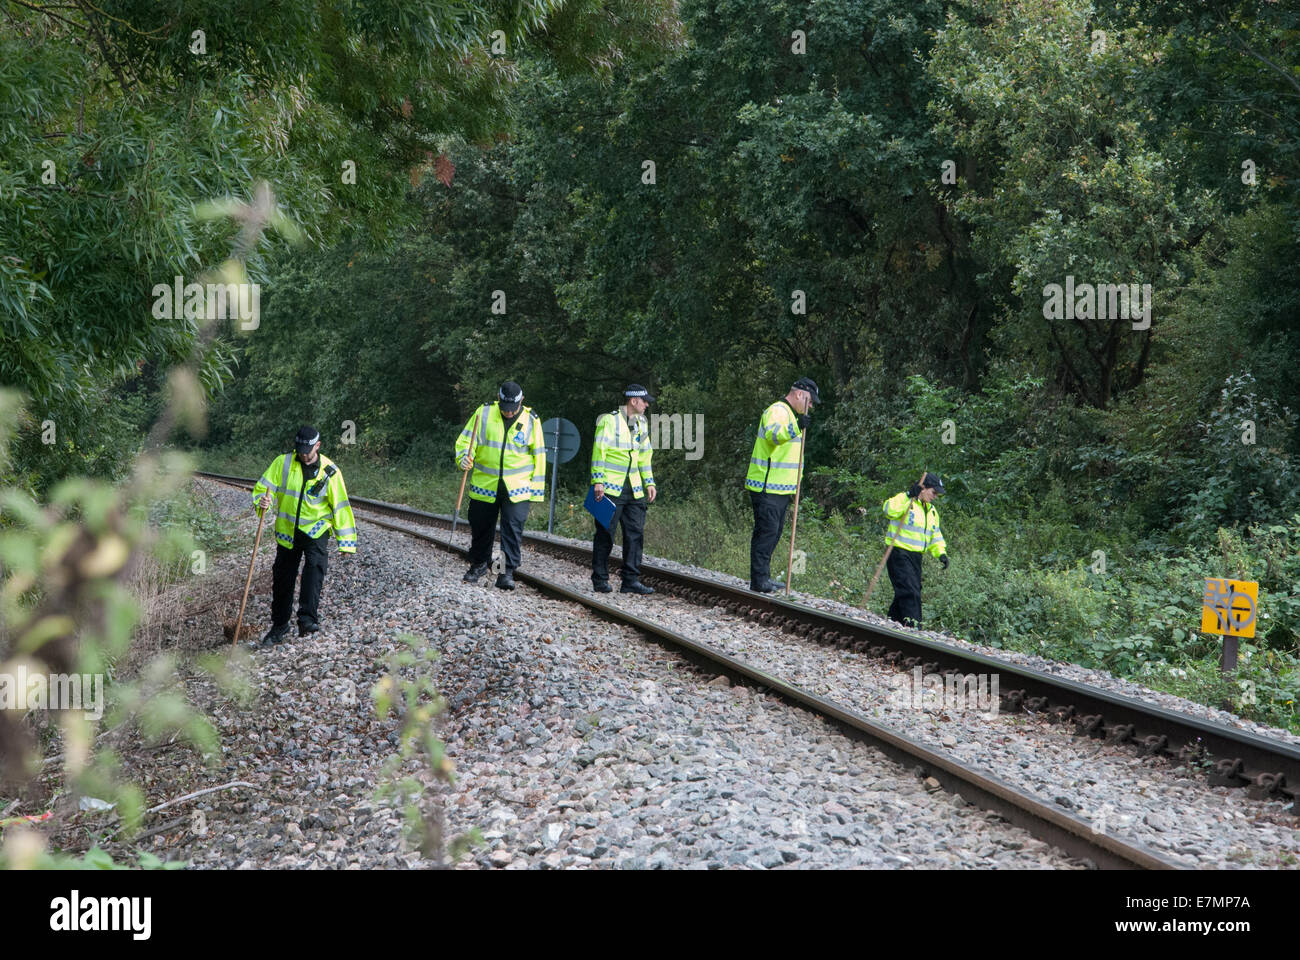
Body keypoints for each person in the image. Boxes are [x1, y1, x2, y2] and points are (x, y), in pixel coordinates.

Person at [251, 425, 357, 645]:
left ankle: (307, 620)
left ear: (317, 446)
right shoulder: (283, 462)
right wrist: (262, 503)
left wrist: (346, 543)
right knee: (283, 579)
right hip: (288, 533)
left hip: (316, 530)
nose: (302, 454)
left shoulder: (331, 471)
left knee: (314, 572)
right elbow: (262, 489)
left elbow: (341, 507)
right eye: (299, 449)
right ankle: (279, 626)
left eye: (307, 450)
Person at [454, 381, 546, 589]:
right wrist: (463, 459)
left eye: (513, 409)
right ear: (499, 399)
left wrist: (536, 491)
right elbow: (465, 442)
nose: (509, 413)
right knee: (481, 526)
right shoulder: (483, 413)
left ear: (521, 401)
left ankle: (504, 573)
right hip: (485, 484)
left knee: (511, 529)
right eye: (505, 409)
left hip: (518, 488)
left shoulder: (532, 420)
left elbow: (539, 456)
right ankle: (478, 564)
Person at [745, 377, 819, 593]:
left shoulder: (789, 415)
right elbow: (773, 436)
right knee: (766, 533)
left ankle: (763, 577)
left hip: (780, 488)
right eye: (810, 400)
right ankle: (759, 580)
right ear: (799, 394)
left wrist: (795, 487)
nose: (811, 405)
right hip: (767, 486)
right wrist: (797, 426)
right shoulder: (778, 411)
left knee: (773, 533)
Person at [590, 384, 657, 595]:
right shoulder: (609, 421)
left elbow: (645, 456)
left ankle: (630, 580)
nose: (647, 404)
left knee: (635, 535)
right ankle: (600, 579)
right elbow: (599, 450)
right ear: (633, 401)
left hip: (635, 490)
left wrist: (650, 482)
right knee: (604, 534)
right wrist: (597, 481)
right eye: (644, 400)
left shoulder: (642, 423)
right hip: (609, 488)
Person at [882, 472, 949, 629]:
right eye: (934, 492)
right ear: (923, 488)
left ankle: (892, 623)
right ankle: (915, 629)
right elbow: (888, 509)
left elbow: (935, 535)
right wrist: (907, 495)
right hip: (898, 552)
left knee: (911, 589)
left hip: (916, 557)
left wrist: (941, 553)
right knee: (910, 590)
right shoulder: (907, 501)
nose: (935, 497)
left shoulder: (931, 511)